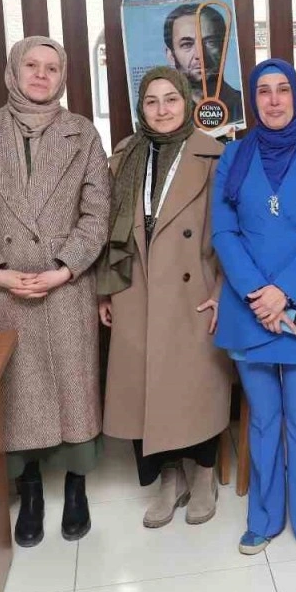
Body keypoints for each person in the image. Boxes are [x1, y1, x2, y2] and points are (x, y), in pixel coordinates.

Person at [0, 36, 110, 547]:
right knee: (17, 395)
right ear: (13, 72)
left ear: (63, 76)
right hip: (2, 289)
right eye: (32, 65)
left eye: (52, 67)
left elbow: (97, 213)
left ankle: (77, 488)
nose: (41, 75)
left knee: (74, 389)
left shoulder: (82, 133)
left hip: (64, 286)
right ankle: (31, 490)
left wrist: (65, 268)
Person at [212, 58, 296, 561]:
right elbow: (223, 232)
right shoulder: (233, 156)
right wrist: (259, 293)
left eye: (282, 90)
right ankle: (263, 519)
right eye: (264, 91)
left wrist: (283, 292)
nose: (274, 100)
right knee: (264, 420)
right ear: (253, 100)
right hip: (249, 309)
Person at [97, 66, 231, 528]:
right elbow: (107, 229)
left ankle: (205, 475)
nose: (162, 110)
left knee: (197, 387)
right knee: (144, 390)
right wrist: (106, 289)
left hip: (194, 291)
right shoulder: (125, 156)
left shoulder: (214, 155)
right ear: (141, 107)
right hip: (135, 291)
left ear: (187, 102)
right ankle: (168, 479)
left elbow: (230, 234)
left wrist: (222, 292)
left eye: (171, 99)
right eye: (151, 101)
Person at [164, 4, 245, 128]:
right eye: (187, 44)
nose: (200, 55)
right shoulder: (162, 113)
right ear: (171, 55)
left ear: (224, 47)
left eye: (210, 42)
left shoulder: (244, 106)